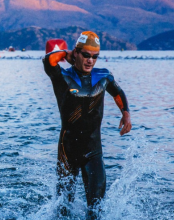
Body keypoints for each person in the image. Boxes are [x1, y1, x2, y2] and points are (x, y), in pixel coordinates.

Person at [42, 31, 132, 219]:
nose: (90, 60)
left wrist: (125, 113)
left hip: (93, 152)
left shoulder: (103, 76)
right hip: (67, 152)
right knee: (62, 211)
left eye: (94, 57)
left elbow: (118, 92)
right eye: (86, 55)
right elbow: (48, 60)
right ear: (76, 53)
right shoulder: (61, 77)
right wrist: (67, 53)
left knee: (96, 211)